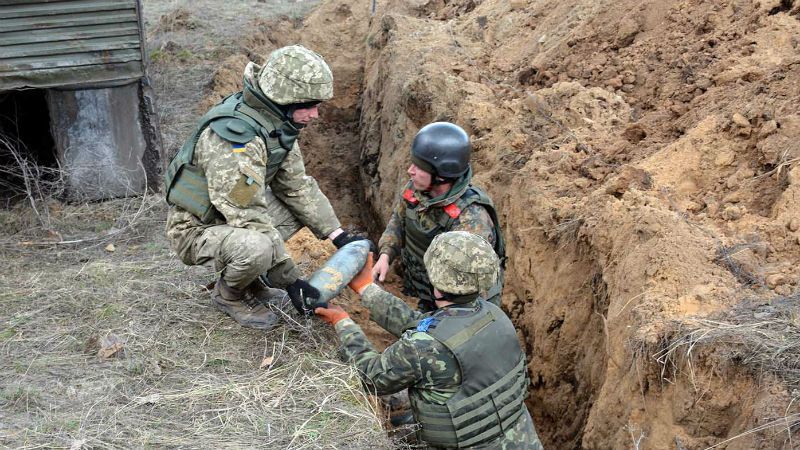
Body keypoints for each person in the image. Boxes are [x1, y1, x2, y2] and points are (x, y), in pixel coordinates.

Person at [164, 45, 366, 329]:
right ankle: (230, 294)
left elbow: (297, 188)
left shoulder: (276, 123)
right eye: (309, 106)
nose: (315, 115)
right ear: (286, 99)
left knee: (295, 211)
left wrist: (338, 234)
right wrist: (292, 280)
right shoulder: (237, 139)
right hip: (196, 228)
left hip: (227, 215)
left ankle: (252, 281)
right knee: (257, 247)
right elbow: (247, 214)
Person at [316, 231, 543, 449]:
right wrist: (368, 290)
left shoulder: (423, 346)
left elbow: (371, 377)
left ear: (435, 276)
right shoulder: (493, 314)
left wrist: (343, 323)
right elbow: (421, 324)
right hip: (524, 440)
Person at [371, 122, 506, 312]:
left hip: (460, 307)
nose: (410, 171)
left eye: (419, 167)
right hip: (431, 293)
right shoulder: (416, 190)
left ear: (440, 175)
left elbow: (470, 293)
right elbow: (398, 221)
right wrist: (385, 256)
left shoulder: (471, 221)